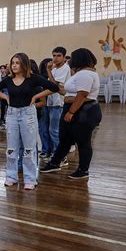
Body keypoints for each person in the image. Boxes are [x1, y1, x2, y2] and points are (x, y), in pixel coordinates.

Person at [0, 53, 59, 190]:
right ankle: (11, 176)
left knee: (29, 148)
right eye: (13, 63)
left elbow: (54, 88)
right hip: (12, 114)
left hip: (28, 113)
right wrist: (6, 97)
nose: (14, 65)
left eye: (17, 62)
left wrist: (36, 96)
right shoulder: (8, 79)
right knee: (11, 148)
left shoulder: (32, 78)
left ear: (24, 64)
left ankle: (30, 178)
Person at [41, 48, 102, 179]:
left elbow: (82, 95)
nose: (71, 60)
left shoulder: (85, 74)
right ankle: (55, 163)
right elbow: (67, 92)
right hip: (74, 108)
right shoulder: (80, 73)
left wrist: (71, 111)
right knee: (65, 139)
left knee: (83, 142)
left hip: (82, 111)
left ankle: (83, 170)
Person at [46, 46, 71, 165]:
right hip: (51, 101)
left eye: (58, 56)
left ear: (64, 57)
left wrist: (48, 70)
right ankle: (56, 154)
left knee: (54, 130)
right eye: (54, 55)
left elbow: (55, 85)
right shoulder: (55, 69)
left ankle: (61, 156)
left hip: (59, 102)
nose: (55, 58)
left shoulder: (65, 69)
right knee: (52, 130)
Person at [38, 58, 53, 159]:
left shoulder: (53, 75)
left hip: (50, 103)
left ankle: (48, 150)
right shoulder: (41, 77)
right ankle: (46, 149)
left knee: (49, 129)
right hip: (45, 103)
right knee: (45, 128)